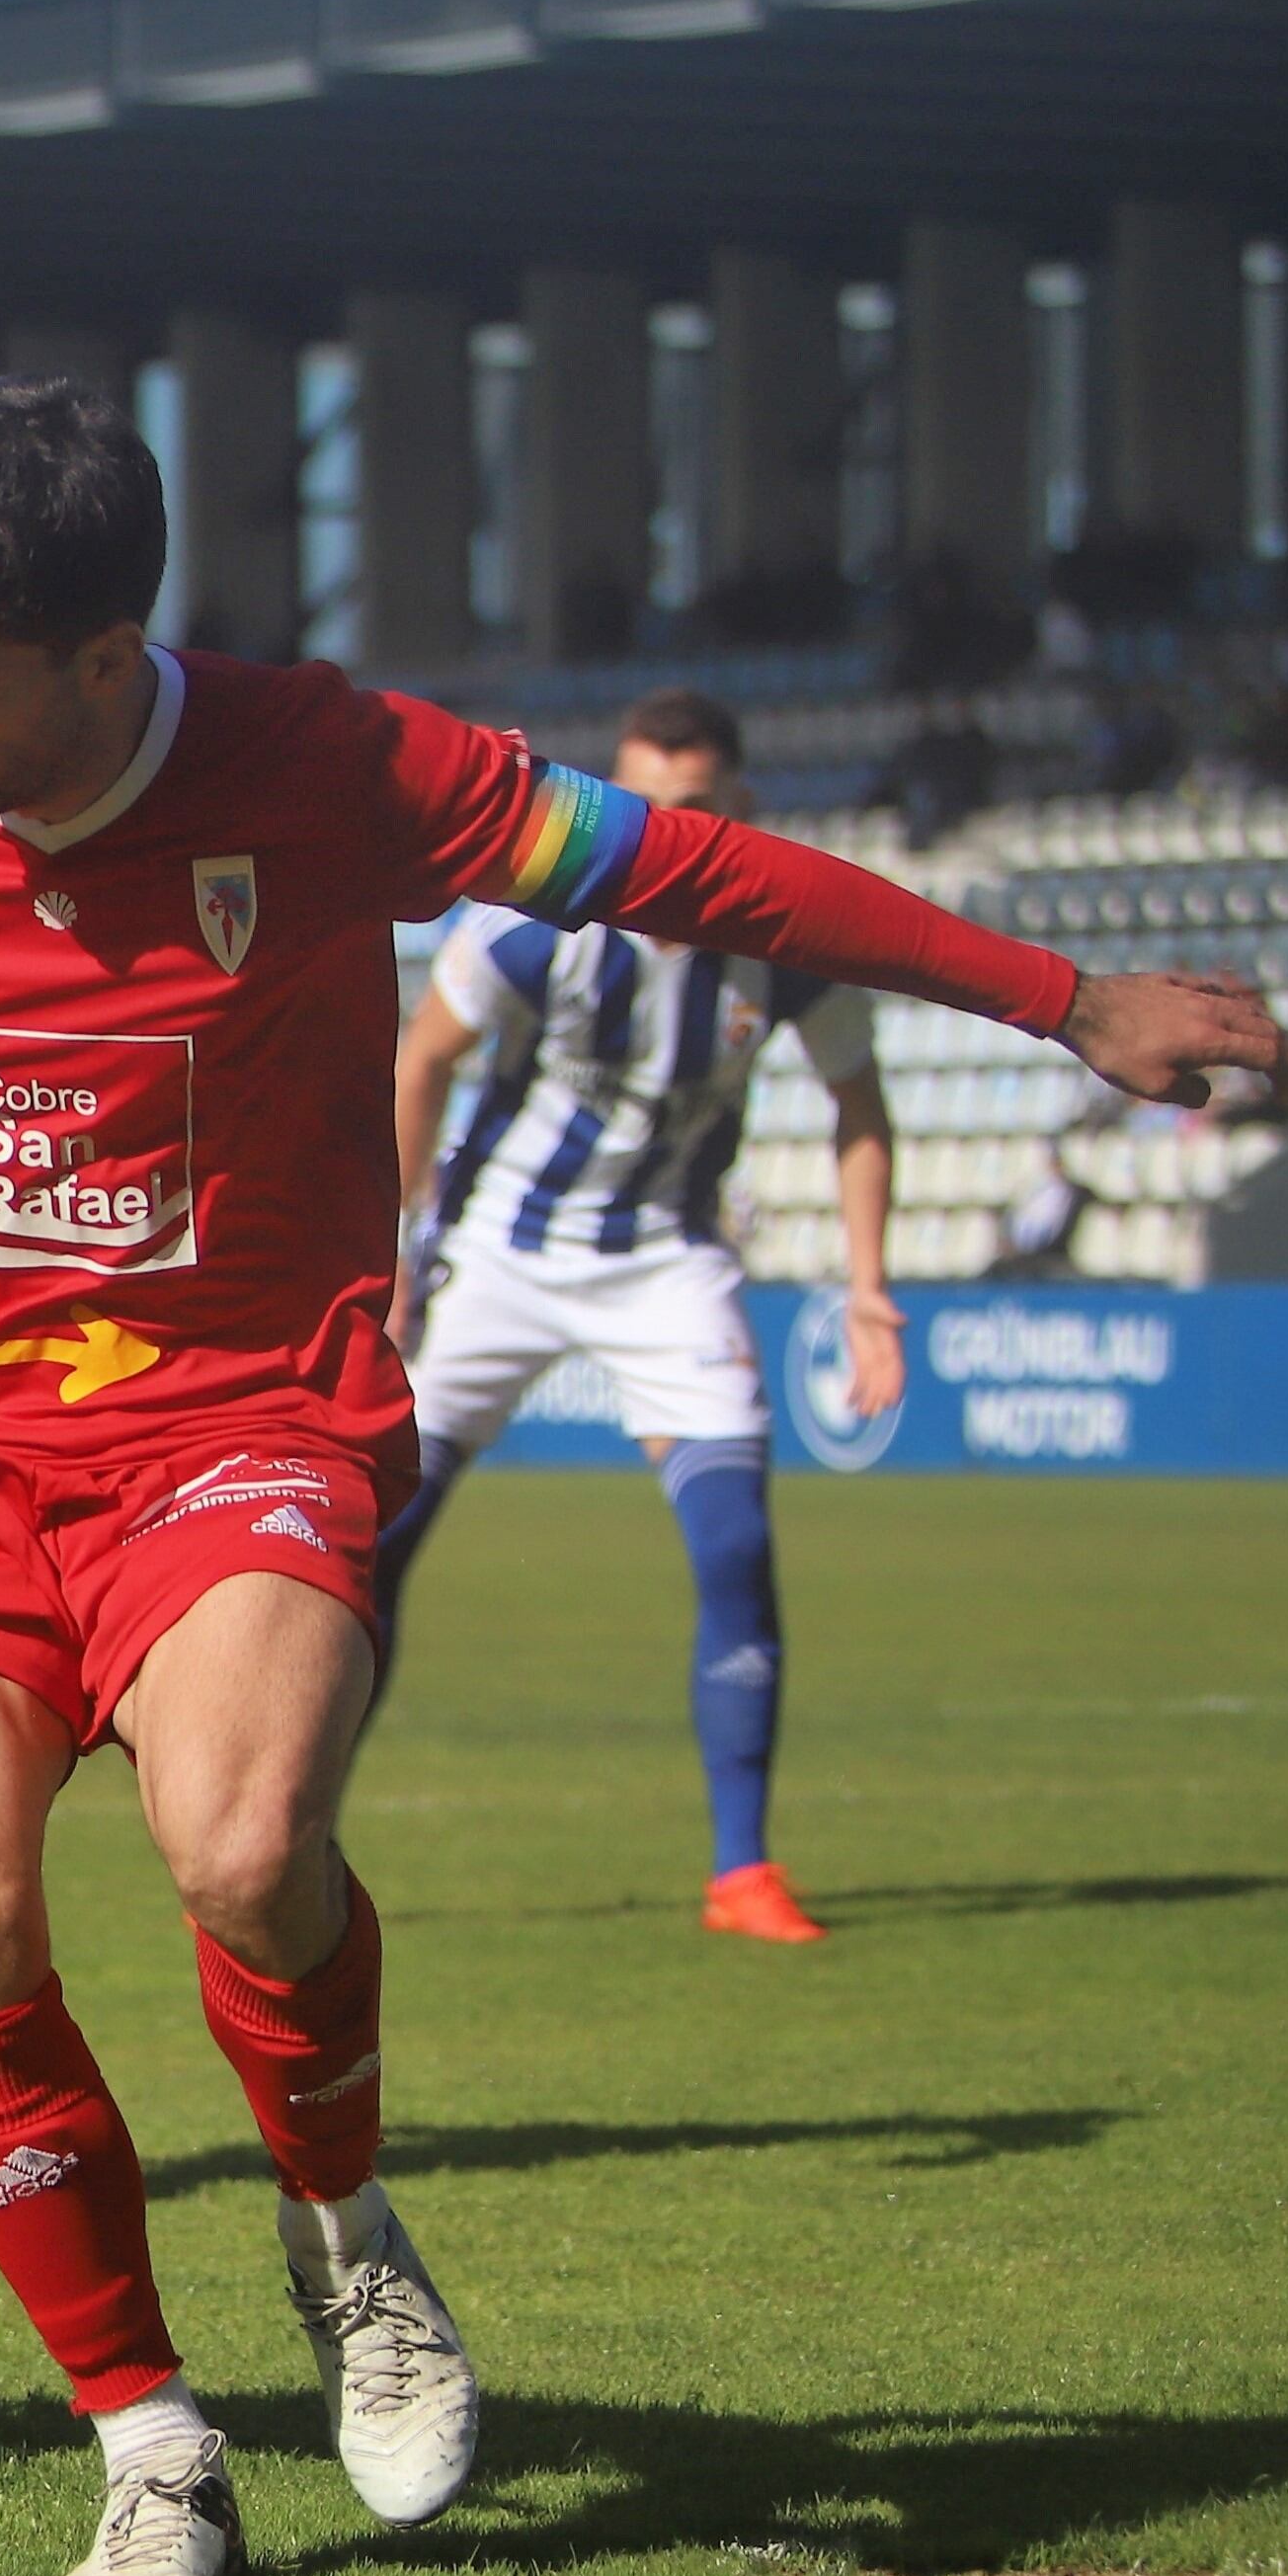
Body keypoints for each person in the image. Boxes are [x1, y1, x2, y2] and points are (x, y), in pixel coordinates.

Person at [0, 379, 1288, 2576]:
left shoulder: (333, 764)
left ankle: (341, 2232)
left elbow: (689, 873)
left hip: (235, 1418)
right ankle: (146, 2443)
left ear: (95, 652)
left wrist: (1052, 998)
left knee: (240, 1848)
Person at [377, 685, 898, 1942]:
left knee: (733, 1550)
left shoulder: (786, 938)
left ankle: (742, 1872)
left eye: (699, 811)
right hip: (498, 1251)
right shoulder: (537, 923)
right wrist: (394, 1253)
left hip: (667, 1255)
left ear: (742, 810)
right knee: (369, 1546)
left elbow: (860, 1104)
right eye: (649, 808)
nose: (669, 835)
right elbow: (422, 1056)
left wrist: (868, 1289)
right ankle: (294, 1846)